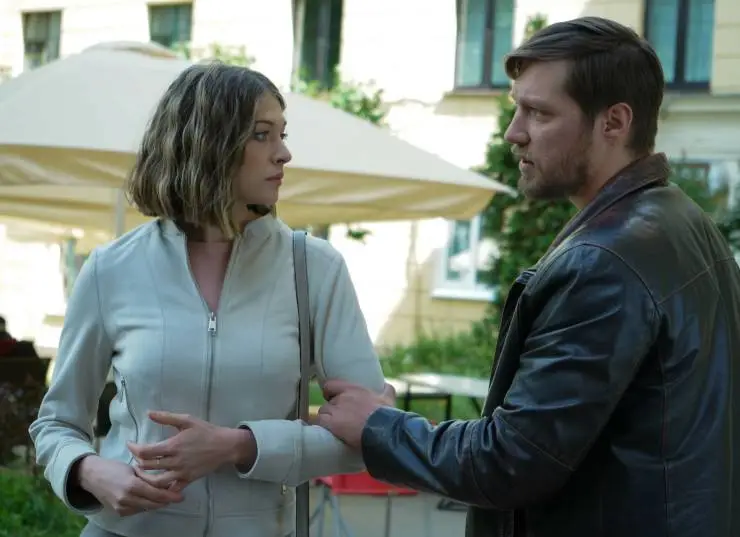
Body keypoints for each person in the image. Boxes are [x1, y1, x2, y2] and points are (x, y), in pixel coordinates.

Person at [316, 16, 740, 537]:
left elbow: (510, 461)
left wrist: (379, 428)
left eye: (539, 113)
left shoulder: (604, 262)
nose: (513, 133)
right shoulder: (683, 221)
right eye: (518, 108)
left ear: (614, 122)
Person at [29, 62, 389, 537]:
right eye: (262, 135)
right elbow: (56, 423)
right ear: (208, 143)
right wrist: (89, 471)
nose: (284, 153)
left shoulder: (316, 269)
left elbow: (369, 436)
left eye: (282, 134)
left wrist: (239, 445)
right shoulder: (111, 268)